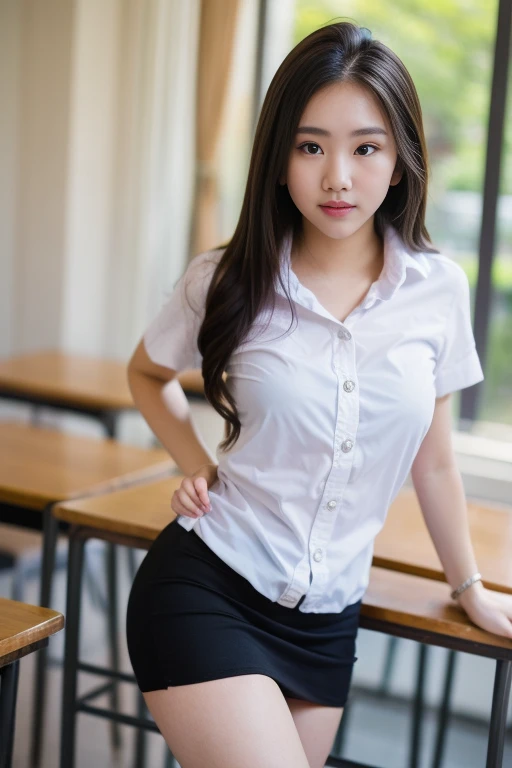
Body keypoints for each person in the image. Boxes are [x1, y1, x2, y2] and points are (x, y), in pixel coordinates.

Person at [125, 20, 512, 768]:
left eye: (366, 148)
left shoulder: (437, 291)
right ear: (278, 160)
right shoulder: (226, 277)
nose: (338, 175)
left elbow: (434, 464)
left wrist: (468, 586)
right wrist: (194, 463)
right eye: (311, 147)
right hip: (209, 586)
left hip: (329, 621)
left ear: (400, 163)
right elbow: (146, 375)